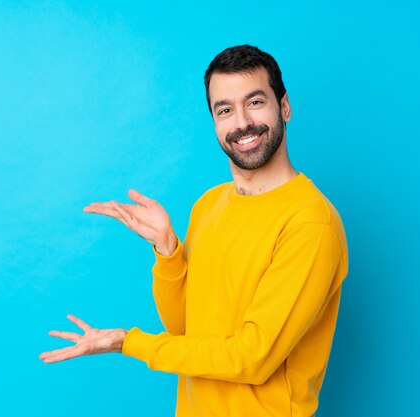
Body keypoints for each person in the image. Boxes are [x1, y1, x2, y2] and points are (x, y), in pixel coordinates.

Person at [39, 44, 349, 417]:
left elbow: (252, 358)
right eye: (225, 110)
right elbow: (186, 328)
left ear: (284, 107)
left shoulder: (310, 223)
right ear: (215, 123)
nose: (242, 123)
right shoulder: (209, 204)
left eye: (255, 102)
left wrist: (129, 343)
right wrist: (168, 251)